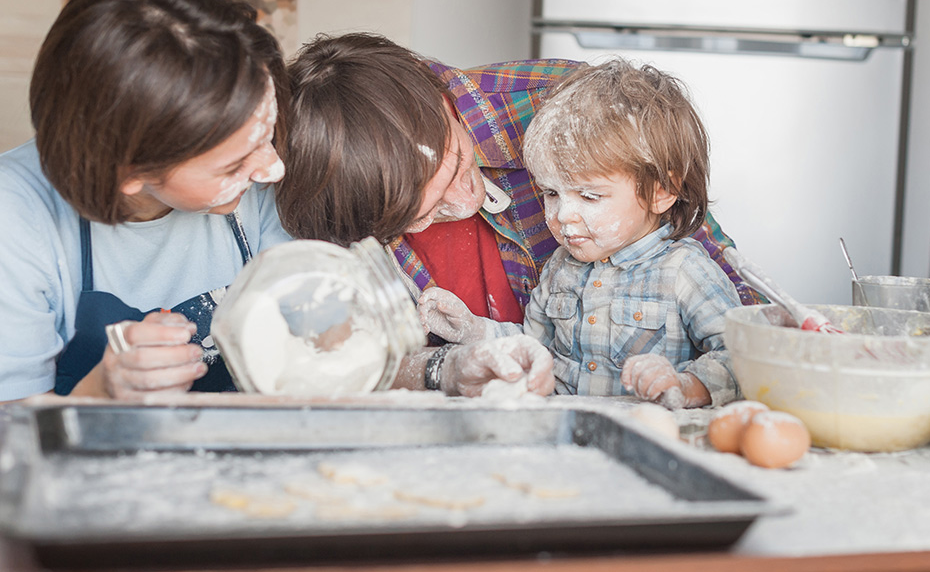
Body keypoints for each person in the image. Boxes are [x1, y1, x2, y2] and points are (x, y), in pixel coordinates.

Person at [278, 33, 761, 398]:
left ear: (441, 105)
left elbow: (739, 310)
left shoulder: (569, 107)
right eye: (419, 217)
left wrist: (742, 366)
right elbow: (327, 360)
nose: (463, 205)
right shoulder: (327, 196)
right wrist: (463, 343)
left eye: (455, 171)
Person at [0, 0, 292, 402]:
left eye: (266, 136)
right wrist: (102, 392)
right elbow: (12, 428)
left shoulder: (260, 186)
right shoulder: (16, 218)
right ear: (127, 171)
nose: (274, 169)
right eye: (232, 166)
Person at [418, 60, 742, 407]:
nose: (563, 216)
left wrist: (685, 384)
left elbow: (740, 358)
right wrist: (472, 330)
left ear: (661, 191)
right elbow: (534, 344)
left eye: (589, 196)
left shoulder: (685, 271)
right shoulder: (561, 266)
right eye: (551, 193)